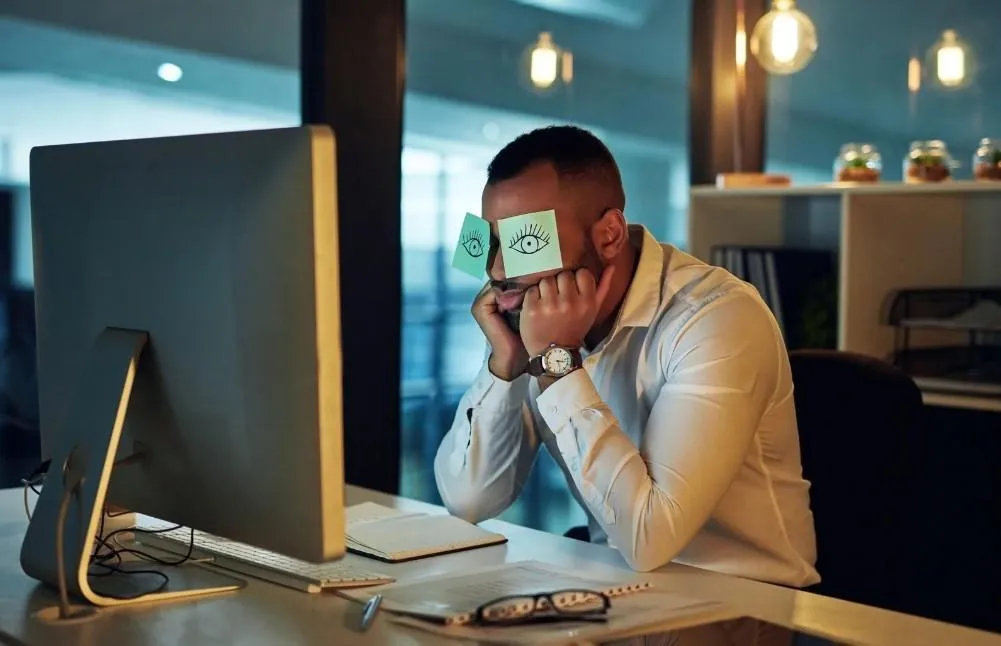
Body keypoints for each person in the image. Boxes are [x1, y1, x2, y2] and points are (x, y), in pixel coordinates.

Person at [434, 125, 819, 588]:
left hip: (752, 606)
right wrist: (506, 365)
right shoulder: (533, 318)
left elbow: (649, 538)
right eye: (491, 242)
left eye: (524, 242)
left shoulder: (718, 317)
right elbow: (469, 500)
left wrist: (557, 364)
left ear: (610, 235)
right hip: (616, 594)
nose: (498, 272)